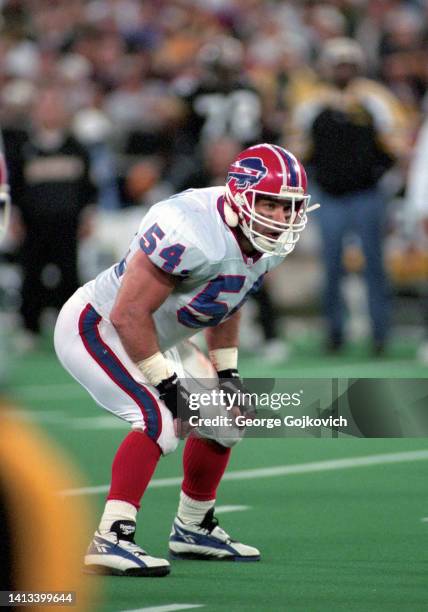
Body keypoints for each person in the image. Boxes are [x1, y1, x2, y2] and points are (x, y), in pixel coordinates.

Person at [54, 143, 317, 577]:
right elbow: (127, 313)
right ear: (238, 195)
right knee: (160, 417)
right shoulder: (190, 227)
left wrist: (228, 372)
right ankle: (111, 537)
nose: (281, 218)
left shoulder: (266, 239)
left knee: (225, 416)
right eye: (269, 204)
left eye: (289, 207)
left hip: (154, 335)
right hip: (98, 327)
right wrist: (166, 383)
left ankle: (194, 527)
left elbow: (229, 298)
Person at [288, 37, 408, 354]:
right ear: (327, 67)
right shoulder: (312, 102)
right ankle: (335, 333)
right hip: (328, 194)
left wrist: (381, 175)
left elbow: (397, 143)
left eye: (348, 64)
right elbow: (297, 147)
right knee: (331, 265)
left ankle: (380, 334)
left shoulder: (375, 99)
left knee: (374, 265)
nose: (342, 70)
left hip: (367, 193)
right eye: (337, 64)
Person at [8, 83, 96, 348]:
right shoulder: (22, 148)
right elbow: (13, 187)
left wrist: (88, 216)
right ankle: (29, 328)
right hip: (33, 225)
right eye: (44, 106)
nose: (49, 111)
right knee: (31, 274)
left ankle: (71, 330)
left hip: (67, 225)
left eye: (55, 106)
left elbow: (88, 188)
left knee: (69, 275)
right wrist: (12, 217)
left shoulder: (77, 147)